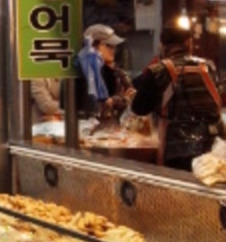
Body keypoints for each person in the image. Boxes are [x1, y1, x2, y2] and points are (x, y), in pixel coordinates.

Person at [131, 25, 224, 172]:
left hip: (176, 152)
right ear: (188, 43)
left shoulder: (158, 71)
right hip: (212, 149)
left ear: (162, 46)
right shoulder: (208, 66)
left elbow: (139, 108)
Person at [75, 23, 128, 120]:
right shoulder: (85, 70)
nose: (113, 50)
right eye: (109, 46)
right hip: (85, 124)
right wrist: (118, 100)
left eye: (114, 46)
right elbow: (95, 107)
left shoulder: (108, 71)